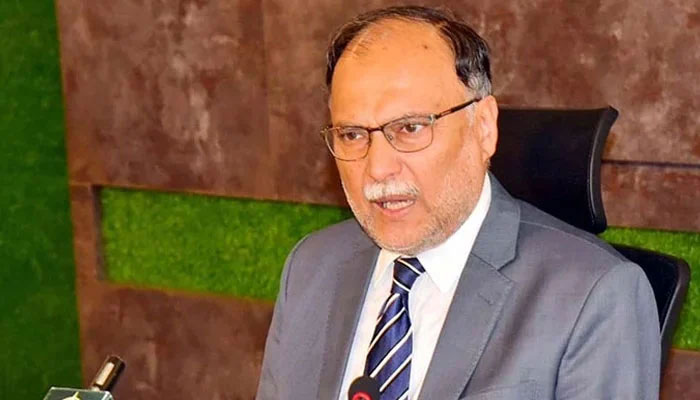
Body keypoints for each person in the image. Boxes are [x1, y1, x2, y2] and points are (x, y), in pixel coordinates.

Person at [256, 5, 660, 400]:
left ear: (483, 128)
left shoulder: (593, 295)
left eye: (410, 128)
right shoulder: (311, 268)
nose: (377, 168)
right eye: (352, 135)